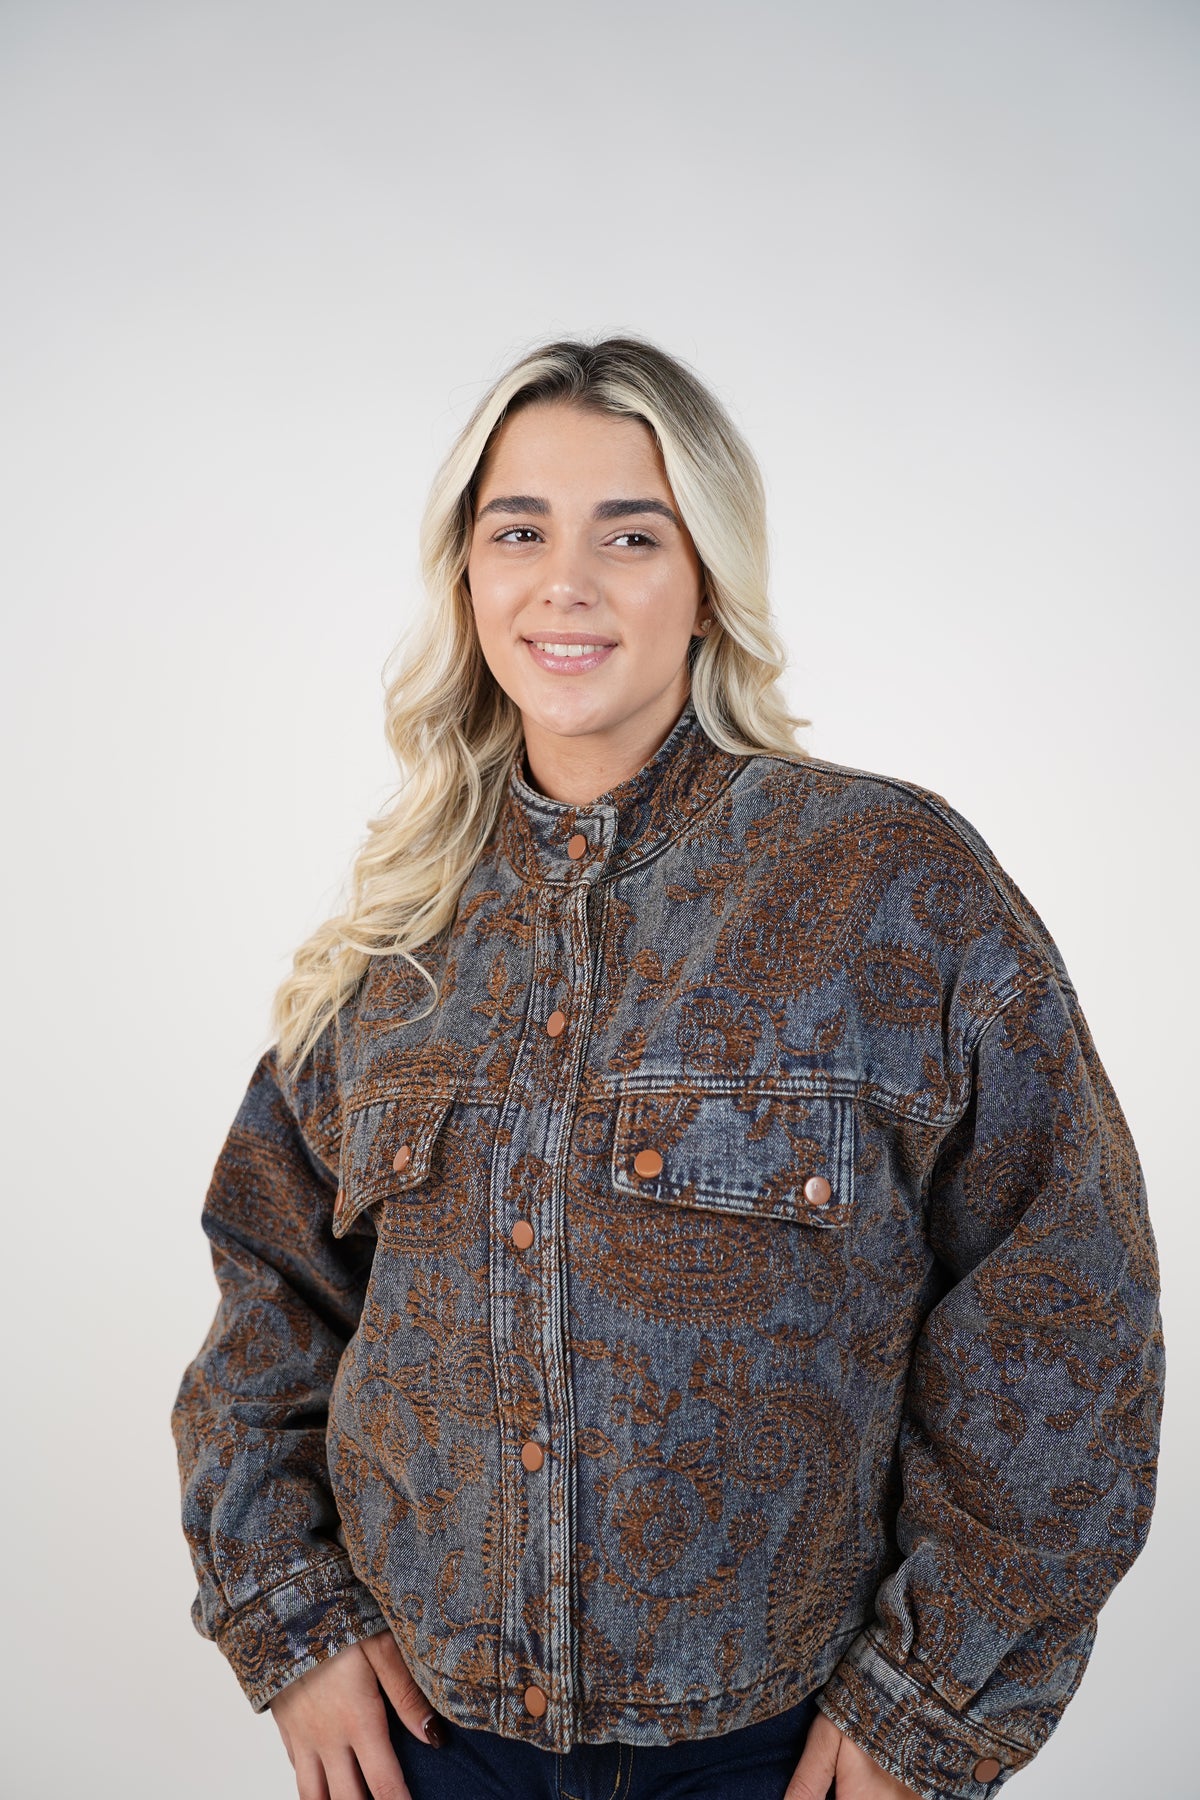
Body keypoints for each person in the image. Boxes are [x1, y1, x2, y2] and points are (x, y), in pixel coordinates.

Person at [170, 335, 1164, 1800]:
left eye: (631, 535)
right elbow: (269, 1295)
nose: (565, 583)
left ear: (707, 579)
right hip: (431, 1746)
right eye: (519, 532)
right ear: (468, 577)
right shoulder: (402, 937)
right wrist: (292, 1621)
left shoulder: (888, 882)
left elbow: (1065, 1312)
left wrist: (928, 1709)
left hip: (779, 1748)